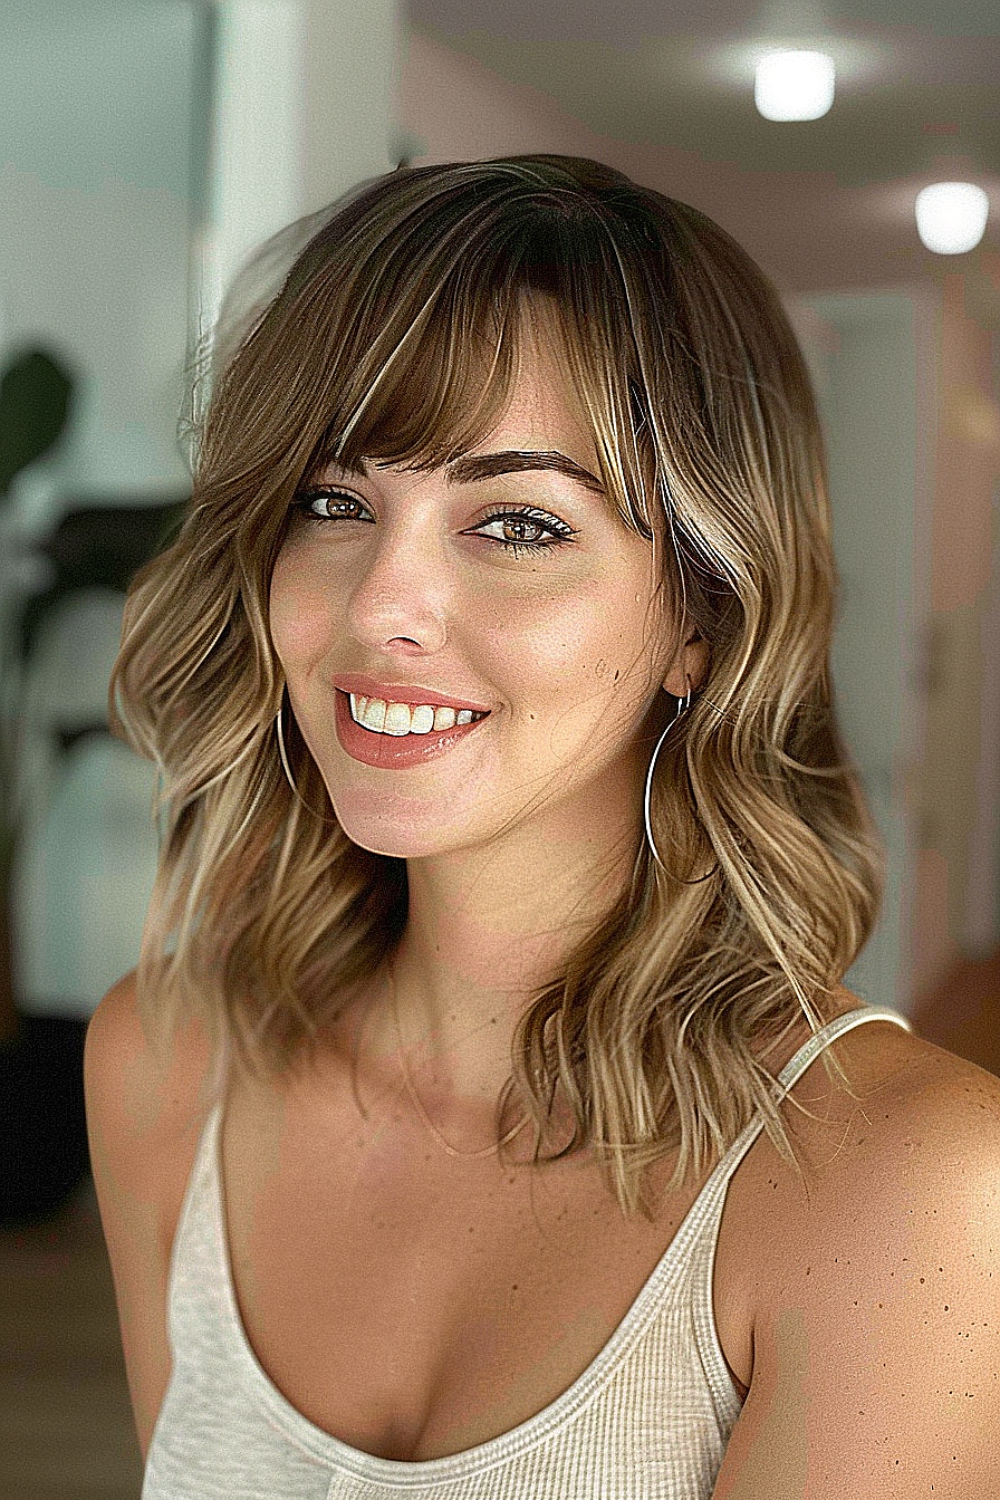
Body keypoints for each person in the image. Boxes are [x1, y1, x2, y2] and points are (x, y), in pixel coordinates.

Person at [83, 155, 1000, 1498]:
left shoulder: (906, 1190)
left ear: (700, 619)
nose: (379, 606)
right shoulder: (164, 1064)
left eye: (515, 522)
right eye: (334, 503)